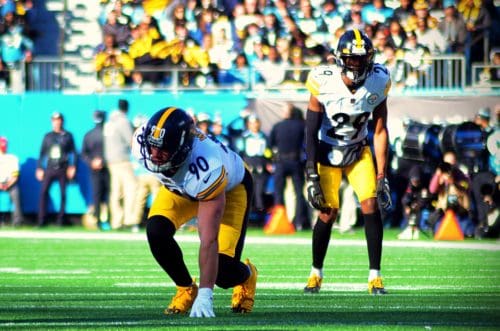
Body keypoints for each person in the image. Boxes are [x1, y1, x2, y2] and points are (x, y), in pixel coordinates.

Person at [131, 107, 257, 318]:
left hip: (228, 189)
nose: (154, 155)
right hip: (180, 188)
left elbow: (208, 240)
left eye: (163, 149)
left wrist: (207, 294)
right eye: (152, 146)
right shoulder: (141, 142)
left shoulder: (208, 167)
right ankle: (186, 288)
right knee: (156, 231)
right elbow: (157, 151)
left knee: (223, 272)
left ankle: (247, 275)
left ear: (182, 148)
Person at [303, 29, 391, 295]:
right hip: (328, 151)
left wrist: (381, 175)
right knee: (327, 212)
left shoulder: (378, 80)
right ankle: (316, 272)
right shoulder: (322, 81)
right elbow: (310, 129)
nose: (357, 63)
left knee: (370, 203)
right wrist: (311, 172)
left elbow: (380, 130)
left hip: (358, 150)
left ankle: (375, 276)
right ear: (340, 59)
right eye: (351, 59)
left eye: (361, 58)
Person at [269, 102, 310, 230]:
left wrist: (270, 160)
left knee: (279, 192)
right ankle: (298, 222)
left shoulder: (277, 126)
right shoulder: (301, 126)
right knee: (299, 193)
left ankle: (280, 221)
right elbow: (306, 144)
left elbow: (270, 145)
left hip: (281, 161)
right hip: (296, 161)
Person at [36, 112, 77, 226]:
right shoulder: (48, 136)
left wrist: (72, 166)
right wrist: (39, 167)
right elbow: (42, 153)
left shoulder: (67, 135)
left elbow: (73, 152)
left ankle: (61, 219)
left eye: (59, 120)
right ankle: (42, 219)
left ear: (62, 121)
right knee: (43, 192)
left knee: (63, 193)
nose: (57, 122)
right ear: (52, 122)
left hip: (62, 167)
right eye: (54, 120)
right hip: (50, 168)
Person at [103, 99, 138, 230]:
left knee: (116, 191)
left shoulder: (109, 122)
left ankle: (116, 221)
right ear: (127, 109)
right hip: (122, 160)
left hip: (111, 161)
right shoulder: (123, 121)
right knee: (132, 188)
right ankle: (129, 219)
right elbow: (131, 141)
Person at [81, 110, 111, 231]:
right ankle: (101, 221)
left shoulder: (94, 134)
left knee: (103, 195)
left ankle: (104, 220)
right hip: (99, 169)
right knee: (101, 195)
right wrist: (92, 162)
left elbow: (84, 154)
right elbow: (84, 153)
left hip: (105, 168)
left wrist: (94, 161)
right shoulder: (97, 134)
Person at [0, 136, 23, 226]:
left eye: (4, 144)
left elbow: (15, 176)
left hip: (11, 183)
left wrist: (7, 184)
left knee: (16, 194)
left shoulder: (13, 158)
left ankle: (17, 221)